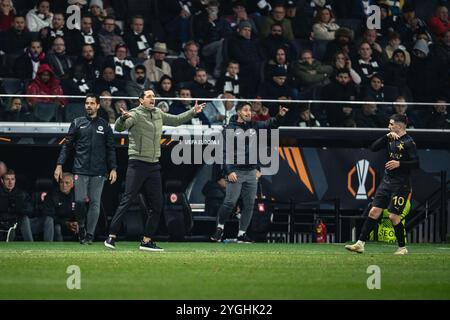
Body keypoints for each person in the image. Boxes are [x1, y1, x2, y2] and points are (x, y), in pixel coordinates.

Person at [104, 89, 205, 252]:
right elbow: (119, 128)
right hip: (137, 163)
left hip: (153, 166)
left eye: (154, 96)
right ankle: (111, 236)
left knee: (157, 204)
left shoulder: (158, 113)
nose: (153, 99)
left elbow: (177, 120)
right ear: (141, 100)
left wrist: (193, 111)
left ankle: (146, 240)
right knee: (127, 199)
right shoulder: (134, 114)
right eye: (149, 96)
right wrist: (122, 118)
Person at [210, 102, 288, 243]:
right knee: (230, 202)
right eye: (245, 110)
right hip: (235, 171)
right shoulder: (229, 129)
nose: (249, 113)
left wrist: (279, 116)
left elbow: (271, 124)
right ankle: (220, 228)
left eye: (250, 111)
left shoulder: (254, 126)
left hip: (251, 171)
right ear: (238, 112)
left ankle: (242, 234)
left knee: (249, 204)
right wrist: (228, 171)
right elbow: (224, 153)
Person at [345, 114, 419, 255]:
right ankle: (360, 244)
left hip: (401, 184)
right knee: (374, 212)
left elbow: (416, 164)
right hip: (387, 181)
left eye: (391, 124)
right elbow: (373, 147)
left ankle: (402, 248)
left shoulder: (409, 142)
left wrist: (399, 164)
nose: (389, 126)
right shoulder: (390, 138)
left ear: (400, 125)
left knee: (393, 216)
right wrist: (386, 136)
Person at [54, 93, 117, 245]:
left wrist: (113, 168)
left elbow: (110, 149)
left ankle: (89, 235)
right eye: (87, 103)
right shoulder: (77, 122)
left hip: (99, 171)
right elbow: (67, 145)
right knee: (80, 201)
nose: (88, 106)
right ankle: (81, 226)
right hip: (80, 169)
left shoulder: (105, 125)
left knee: (95, 203)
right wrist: (59, 164)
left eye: (91, 103)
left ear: (97, 105)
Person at [41, 172, 78, 242]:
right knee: (57, 227)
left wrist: (78, 223)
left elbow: (83, 212)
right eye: (61, 182)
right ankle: (49, 247)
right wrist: (66, 223)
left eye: (67, 183)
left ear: (73, 184)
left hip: (73, 225)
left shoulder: (77, 196)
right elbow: (49, 215)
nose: (64, 185)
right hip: (57, 224)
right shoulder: (52, 195)